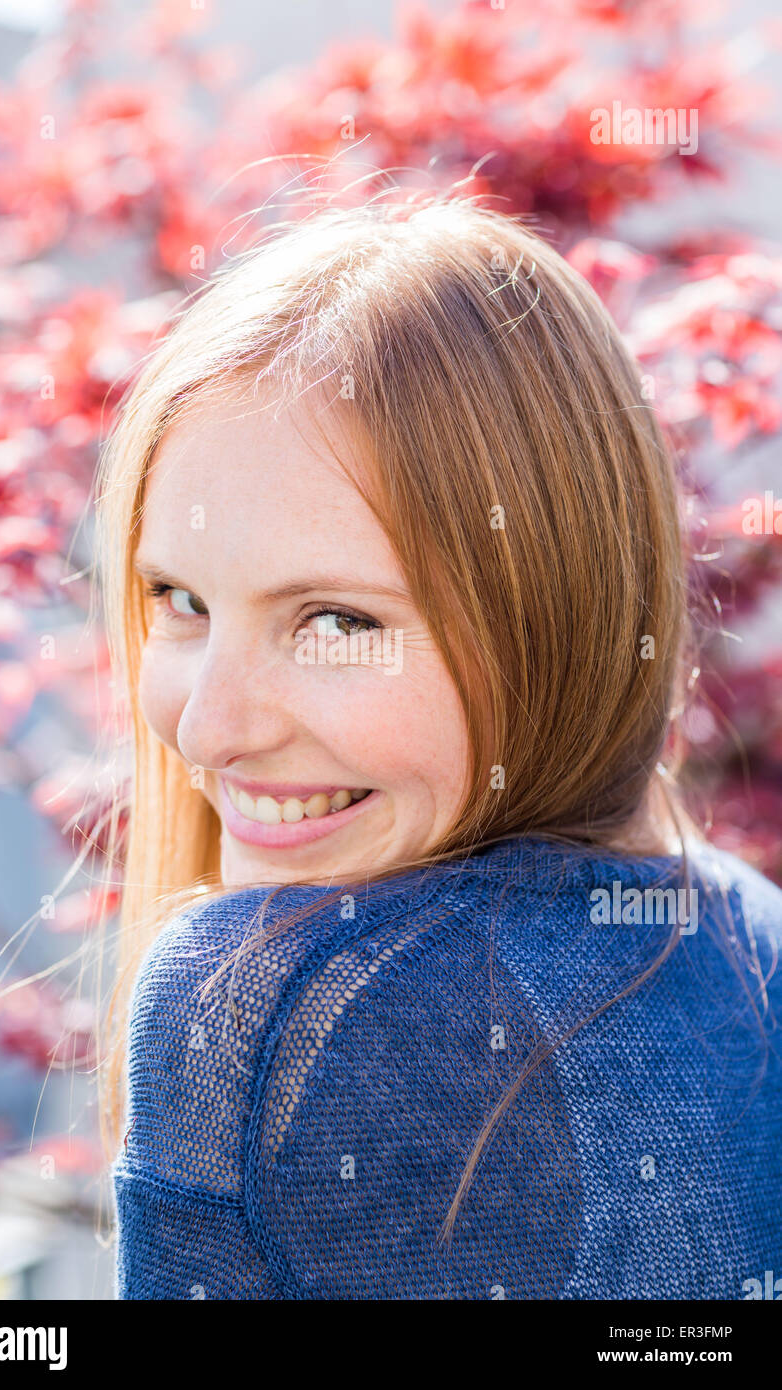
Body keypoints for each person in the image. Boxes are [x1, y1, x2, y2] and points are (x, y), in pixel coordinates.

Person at [93, 197, 782, 1299]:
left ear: (551, 611)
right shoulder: (745, 927)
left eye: (336, 621)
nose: (209, 726)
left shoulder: (259, 1004)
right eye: (177, 597)